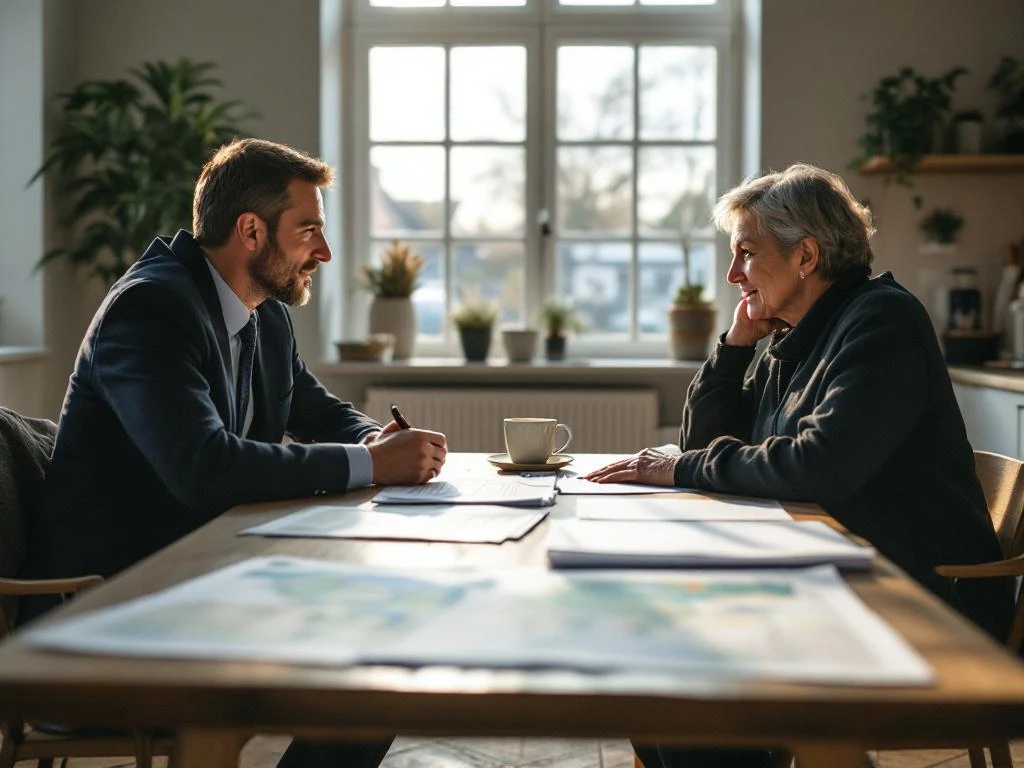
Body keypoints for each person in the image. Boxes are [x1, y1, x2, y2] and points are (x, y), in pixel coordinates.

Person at [20, 138, 448, 768]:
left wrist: (368, 438)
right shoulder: (151, 308)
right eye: (308, 231)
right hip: (107, 619)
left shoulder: (262, 312)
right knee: (373, 655)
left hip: (195, 586)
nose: (324, 252)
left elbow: (309, 403)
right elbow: (205, 467)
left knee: (386, 631)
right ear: (250, 231)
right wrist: (375, 467)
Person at [586, 163, 1014, 768]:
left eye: (746, 254)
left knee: (690, 671)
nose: (733, 274)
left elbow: (818, 465)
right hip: (836, 575)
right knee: (655, 654)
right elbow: (704, 444)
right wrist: (735, 347)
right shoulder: (794, 335)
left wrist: (681, 468)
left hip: (926, 600)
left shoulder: (881, 321)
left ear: (806, 256)